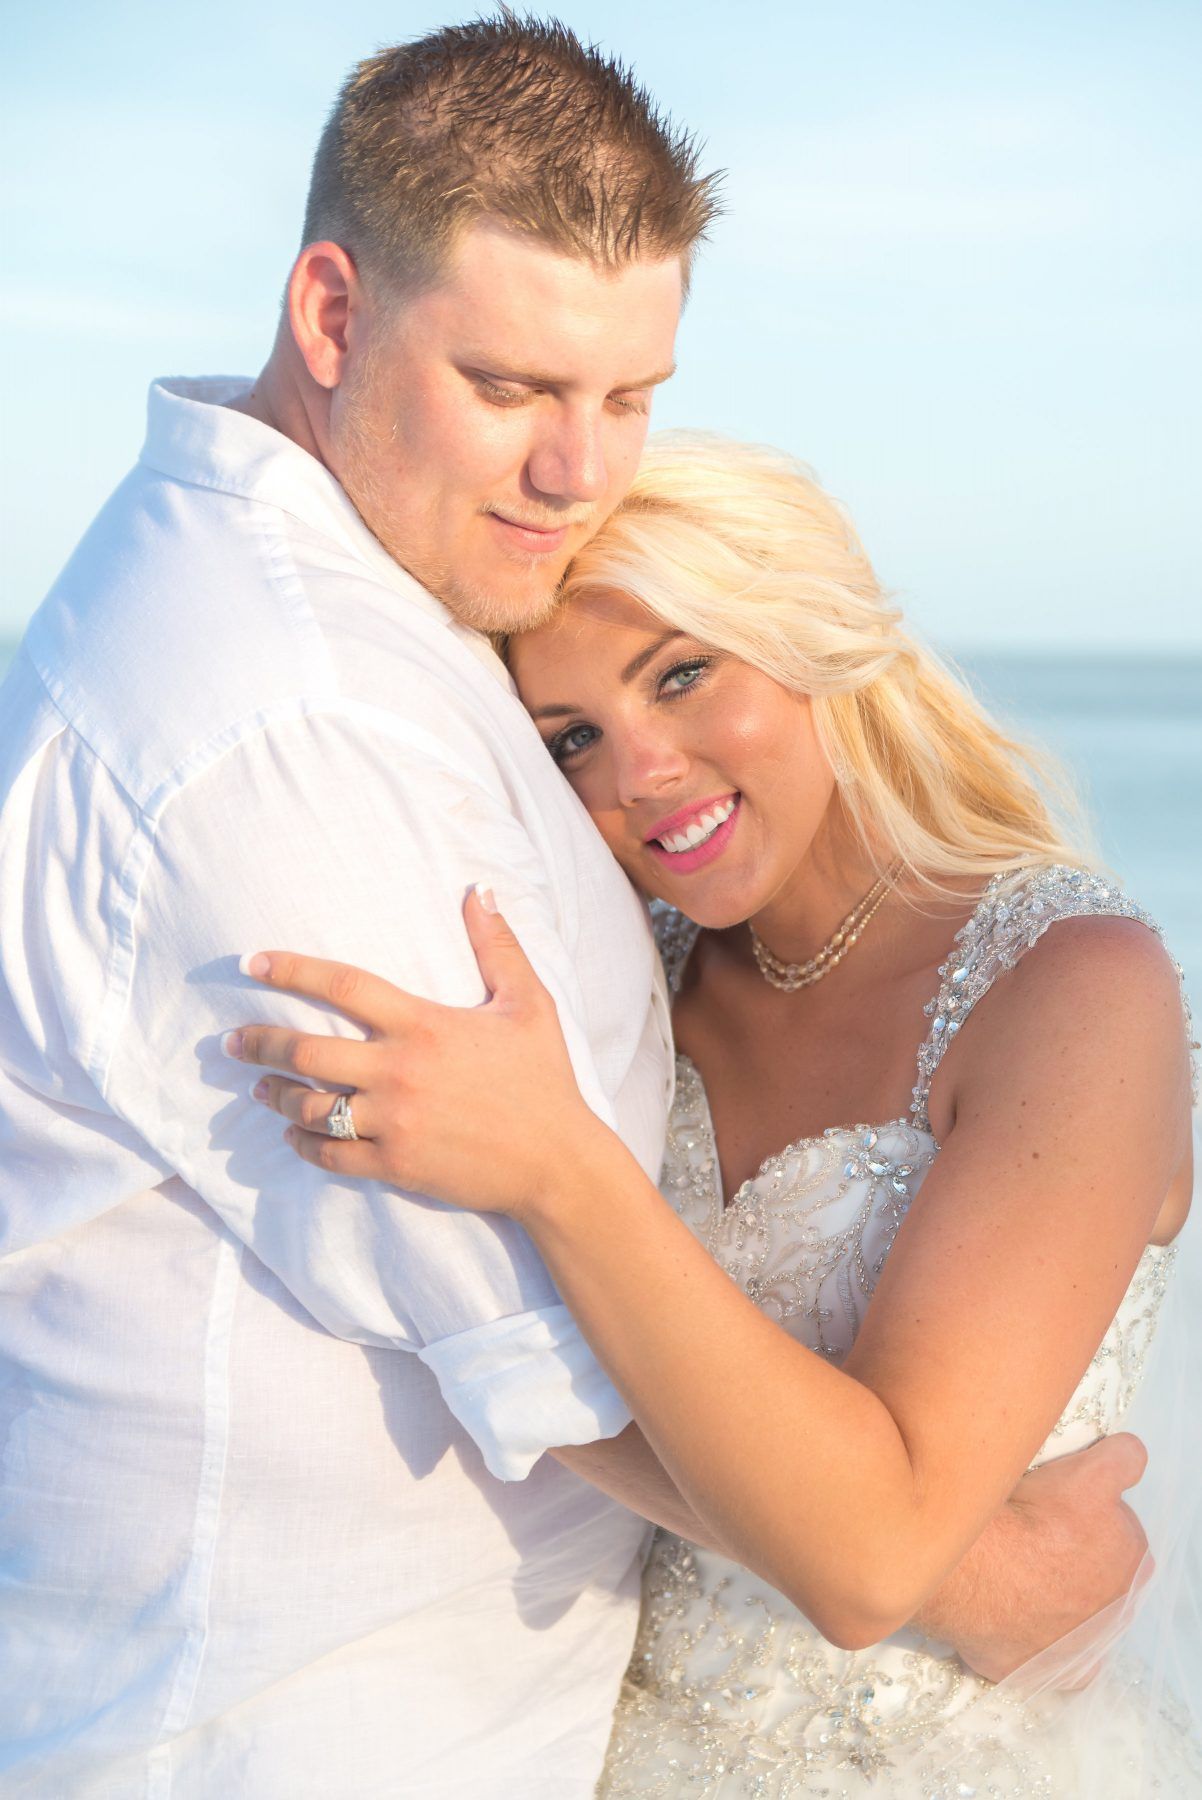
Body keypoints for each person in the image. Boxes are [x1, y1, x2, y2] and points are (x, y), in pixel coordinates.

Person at [0, 18, 1157, 1797]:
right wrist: (975, 1569)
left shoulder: (385, 615)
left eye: (629, 396)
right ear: (329, 316)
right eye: (516, 387)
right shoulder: (283, 713)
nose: (576, 471)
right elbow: (535, 1338)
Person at [230, 435, 1201, 1795]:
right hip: (610, 1755)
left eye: (682, 674)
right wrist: (980, 1576)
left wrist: (561, 1171)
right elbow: (464, 1316)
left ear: (803, 637)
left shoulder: (1073, 991)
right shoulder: (618, 987)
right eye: (570, 741)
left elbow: (865, 1566)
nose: (639, 774)